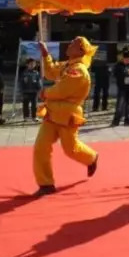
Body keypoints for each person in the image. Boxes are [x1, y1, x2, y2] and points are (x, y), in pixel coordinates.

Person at [33, 38, 99, 196]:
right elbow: (50, 72)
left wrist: (45, 93)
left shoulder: (79, 71)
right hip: (52, 112)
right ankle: (46, 184)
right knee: (41, 147)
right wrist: (45, 55)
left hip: (68, 114)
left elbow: (63, 90)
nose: (69, 45)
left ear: (81, 51)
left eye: (73, 44)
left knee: (70, 149)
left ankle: (91, 158)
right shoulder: (67, 65)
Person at [112, 48, 129, 126]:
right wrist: (126, 72)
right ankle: (116, 120)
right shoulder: (118, 65)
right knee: (120, 104)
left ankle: (128, 120)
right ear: (123, 58)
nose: (128, 60)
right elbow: (116, 75)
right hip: (122, 87)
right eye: (127, 59)